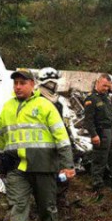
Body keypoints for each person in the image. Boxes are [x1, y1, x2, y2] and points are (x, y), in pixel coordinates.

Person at [0, 69, 75, 221]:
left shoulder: (46, 106)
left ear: (33, 84)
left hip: (44, 168)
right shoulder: (7, 108)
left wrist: (67, 165)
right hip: (17, 169)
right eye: (16, 84)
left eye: (22, 83)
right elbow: (0, 139)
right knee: (18, 207)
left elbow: (61, 138)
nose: (18, 87)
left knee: (46, 209)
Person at [83, 74, 112, 194]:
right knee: (99, 159)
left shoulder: (107, 97)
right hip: (100, 132)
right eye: (104, 85)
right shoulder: (91, 99)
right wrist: (93, 135)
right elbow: (88, 120)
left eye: (108, 86)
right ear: (98, 83)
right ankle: (97, 184)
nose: (106, 88)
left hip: (110, 131)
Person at [38, 67, 71, 210]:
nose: (52, 85)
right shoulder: (36, 100)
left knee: (63, 171)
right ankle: (45, 202)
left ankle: (59, 198)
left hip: (58, 141)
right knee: (45, 175)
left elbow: (60, 123)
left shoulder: (57, 102)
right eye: (49, 82)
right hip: (42, 144)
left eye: (54, 82)